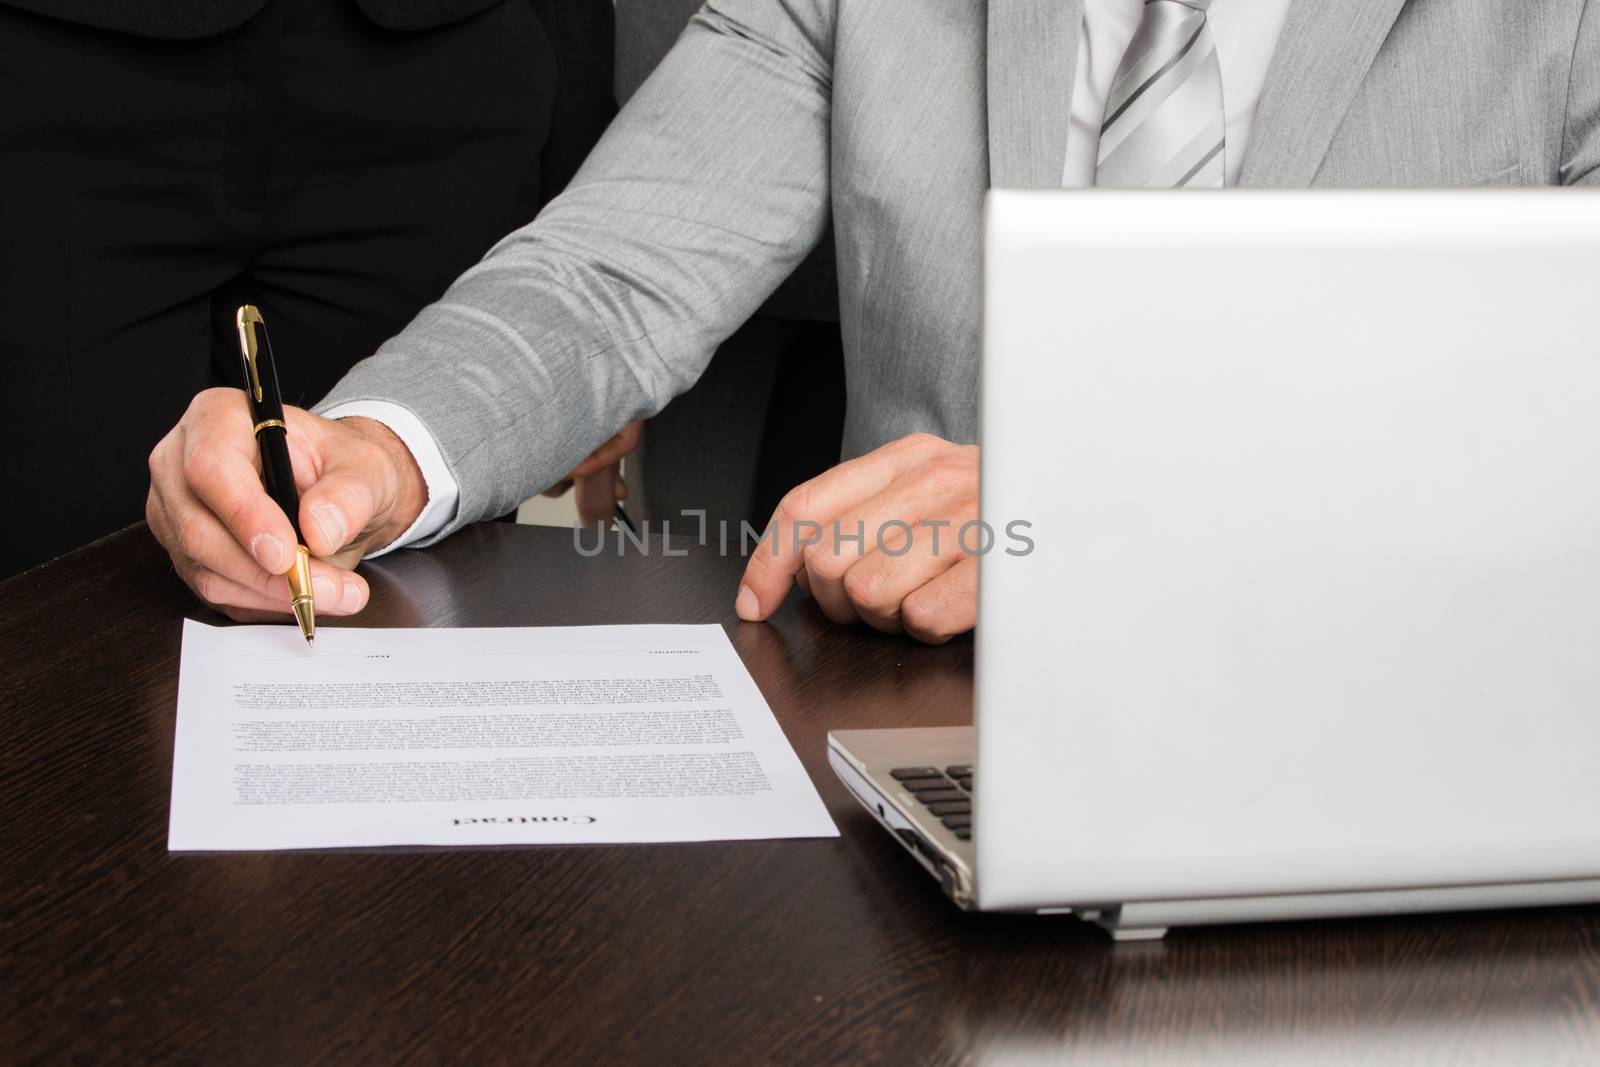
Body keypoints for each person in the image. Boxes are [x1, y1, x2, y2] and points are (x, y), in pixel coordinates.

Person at [146, 0, 1600, 643]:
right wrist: (377, 451)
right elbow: (607, 274)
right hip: (918, 751)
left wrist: (1111, 517)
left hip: (1392, 732)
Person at [0, 0, 615, 577]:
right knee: (61, 610)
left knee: (397, 591)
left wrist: (591, 307)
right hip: (54, 62)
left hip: (447, 69)